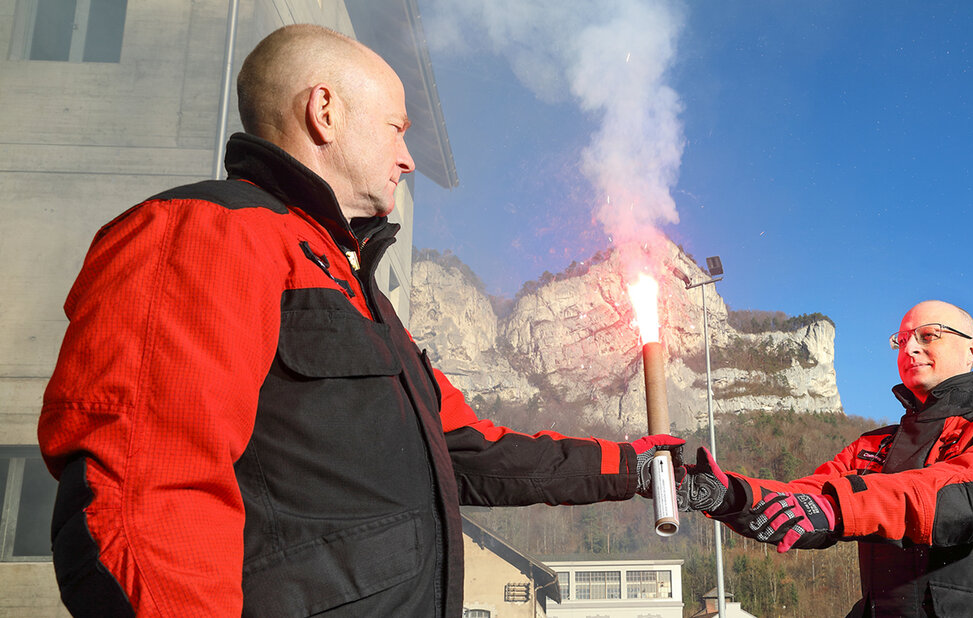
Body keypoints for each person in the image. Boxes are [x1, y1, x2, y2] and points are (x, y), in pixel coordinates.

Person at [38, 24, 681, 618]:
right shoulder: (207, 233)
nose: (406, 158)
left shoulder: (353, 288)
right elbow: (140, 504)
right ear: (326, 112)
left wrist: (631, 464)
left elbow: (468, 452)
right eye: (397, 128)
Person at [678, 300, 973, 617]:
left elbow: (969, 499)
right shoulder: (872, 446)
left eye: (929, 336)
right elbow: (803, 499)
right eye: (902, 339)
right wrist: (729, 496)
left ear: (972, 349)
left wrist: (840, 506)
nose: (910, 349)